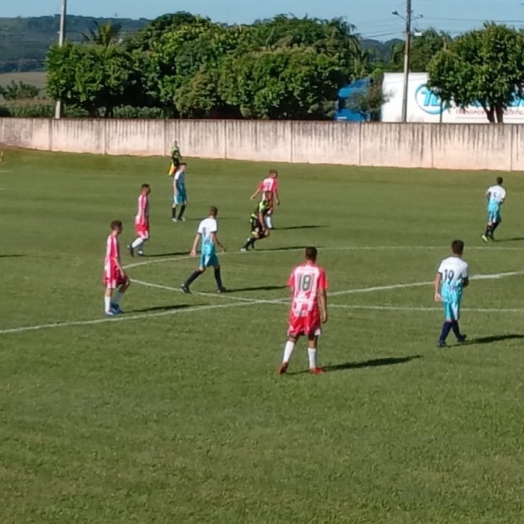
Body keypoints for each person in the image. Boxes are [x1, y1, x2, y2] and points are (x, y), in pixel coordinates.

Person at [278, 247, 328, 375]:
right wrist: (324, 311)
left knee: (293, 335)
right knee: (312, 336)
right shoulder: (319, 271)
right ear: (315, 257)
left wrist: (291, 307)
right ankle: (312, 367)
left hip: (296, 307)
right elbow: (321, 292)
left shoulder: (296, 270)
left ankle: (285, 361)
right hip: (310, 307)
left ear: (305, 256)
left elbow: (292, 291)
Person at [181, 207, 227, 293]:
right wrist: (220, 246)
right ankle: (185, 284)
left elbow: (198, 235)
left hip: (204, 247)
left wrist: (194, 248)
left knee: (216, 266)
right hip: (209, 248)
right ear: (216, 214)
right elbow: (213, 235)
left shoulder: (203, 222)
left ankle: (220, 287)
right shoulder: (213, 222)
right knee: (201, 269)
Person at [434, 240, 469, 348]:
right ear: (462, 250)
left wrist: (436, 292)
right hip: (454, 293)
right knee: (450, 318)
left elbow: (438, 277)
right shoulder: (463, 265)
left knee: (452, 315)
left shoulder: (445, 261)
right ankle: (441, 340)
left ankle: (459, 336)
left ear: (452, 249)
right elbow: (466, 282)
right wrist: (464, 284)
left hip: (445, 291)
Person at [103, 220, 130, 316]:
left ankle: (114, 303)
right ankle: (107, 309)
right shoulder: (113, 239)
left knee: (126, 282)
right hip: (112, 267)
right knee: (110, 287)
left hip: (114, 266)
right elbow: (114, 257)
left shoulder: (113, 238)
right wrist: (121, 269)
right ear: (118, 228)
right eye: (121, 227)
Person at [128, 184, 151, 257]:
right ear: (145, 190)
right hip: (142, 218)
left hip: (142, 217)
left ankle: (140, 251)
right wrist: (144, 219)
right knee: (145, 236)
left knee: (142, 235)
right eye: (148, 189)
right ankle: (132, 246)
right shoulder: (143, 198)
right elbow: (143, 209)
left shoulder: (143, 197)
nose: (150, 190)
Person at [482, 177, 506, 242]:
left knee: (498, 220)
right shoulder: (502, 190)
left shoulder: (492, 187)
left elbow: (487, 194)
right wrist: (499, 203)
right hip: (495, 206)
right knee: (492, 220)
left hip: (490, 204)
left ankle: (491, 232)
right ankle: (486, 234)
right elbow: (502, 200)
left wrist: (489, 200)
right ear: (502, 182)